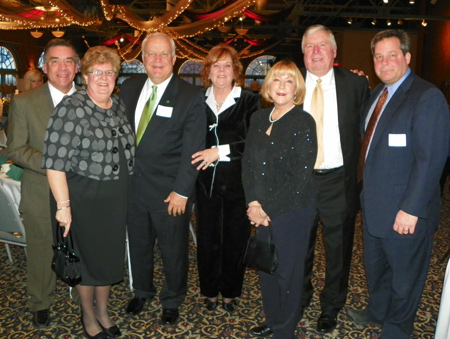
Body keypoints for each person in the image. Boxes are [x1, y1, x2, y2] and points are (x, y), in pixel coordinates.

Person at [347, 29, 450, 339]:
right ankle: (377, 312)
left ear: (407, 57)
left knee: (405, 278)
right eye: (379, 56)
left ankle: (397, 329)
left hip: (406, 212)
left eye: (392, 55)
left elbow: (431, 160)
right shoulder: (376, 95)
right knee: (376, 268)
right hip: (374, 206)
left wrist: (411, 208)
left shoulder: (426, 96)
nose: (385, 61)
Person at [42, 45, 135, 339]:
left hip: (114, 199)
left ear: (116, 77)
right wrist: (63, 206)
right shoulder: (71, 108)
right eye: (97, 72)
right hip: (82, 200)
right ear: (85, 76)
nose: (104, 78)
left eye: (109, 72)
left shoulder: (118, 105)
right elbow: (54, 163)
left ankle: (104, 312)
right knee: (86, 261)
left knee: (108, 259)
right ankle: (88, 314)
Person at [120, 33, 206, 324]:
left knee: (173, 249)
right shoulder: (128, 89)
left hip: (170, 192)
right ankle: (142, 291)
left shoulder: (191, 96)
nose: (157, 61)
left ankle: (173, 298)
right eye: (151, 55)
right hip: (134, 188)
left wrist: (182, 191)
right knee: (139, 245)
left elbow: (192, 150)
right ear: (142, 59)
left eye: (163, 55)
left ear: (174, 58)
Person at [300, 24, 369, 334]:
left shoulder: (355, 84)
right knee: (299, 246)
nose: (316, 52)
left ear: (334, 52)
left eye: (322, 46)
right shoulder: (289, 84)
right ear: (302, 53)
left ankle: (331, 307)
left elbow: (369, 131)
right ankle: (299, 298)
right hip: (299, 183)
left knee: (338, 251)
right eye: (310, 47)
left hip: (338, 182)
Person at [243, 60, 317, 339]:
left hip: (293, 209)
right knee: (267, 269)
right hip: (260, 208)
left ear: (296, 87)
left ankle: (285, 331)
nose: (282, 86)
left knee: (288, 273)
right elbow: (248, 165)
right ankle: (273, 321)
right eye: (277, 80)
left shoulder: (302, 121)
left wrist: (266, 209)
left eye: (289, 81)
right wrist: (253, 203)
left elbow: (300, 177)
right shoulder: (259, 118)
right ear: (267, 86)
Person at [7, 39, 78, 329]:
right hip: (40, 190)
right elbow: (16, 149)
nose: (63, 67)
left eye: (69, 61)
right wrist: (54, 163)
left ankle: (87, 297)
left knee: (86, 248)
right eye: (56, 61)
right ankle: (40, 302)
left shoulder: (91, 100)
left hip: (85, 191)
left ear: (77, 66)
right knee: (40, 251)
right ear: (45, 66)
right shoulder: (24, 103)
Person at [191, 44, 260, 312]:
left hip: (239, 183)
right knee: (207, 242)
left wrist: (218, 151)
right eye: (216, 66)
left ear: (236, 72)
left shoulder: (250, 100)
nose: (221, 71)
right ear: (207, 71)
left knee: (235, 240)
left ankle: (230, 292)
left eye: (227, 66)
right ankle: (209, 291)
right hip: (205, 184)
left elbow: (253, 141)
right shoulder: (198, 100)